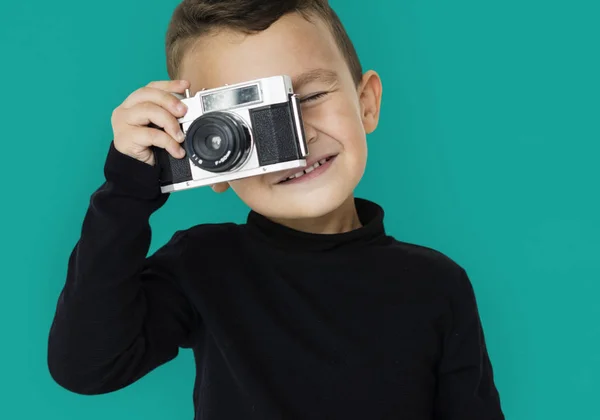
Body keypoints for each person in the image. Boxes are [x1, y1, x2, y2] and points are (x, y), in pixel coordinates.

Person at [47, 0, 505, 418]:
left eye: (309, 97)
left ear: (366, 103)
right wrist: (128, 189)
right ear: (208, 155)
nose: (297, 139)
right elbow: (87, 366)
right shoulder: (204, 265)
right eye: (246, 122)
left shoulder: (437, 284)